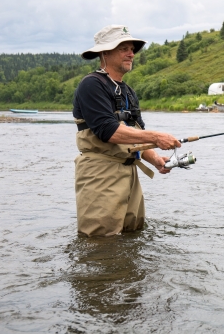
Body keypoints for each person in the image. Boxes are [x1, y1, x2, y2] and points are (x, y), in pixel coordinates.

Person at [72, 25, 181, 237]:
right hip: (100, 174)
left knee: (133, 235)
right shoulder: (91, 85)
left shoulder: (128, 91)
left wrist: (156, 159)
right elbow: (108, 131)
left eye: (132, 49)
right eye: (123, 49)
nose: (131, 54)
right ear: (104, 53)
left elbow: (137, 136)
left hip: (130, 173)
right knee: (100, 241)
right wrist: (156, 136)